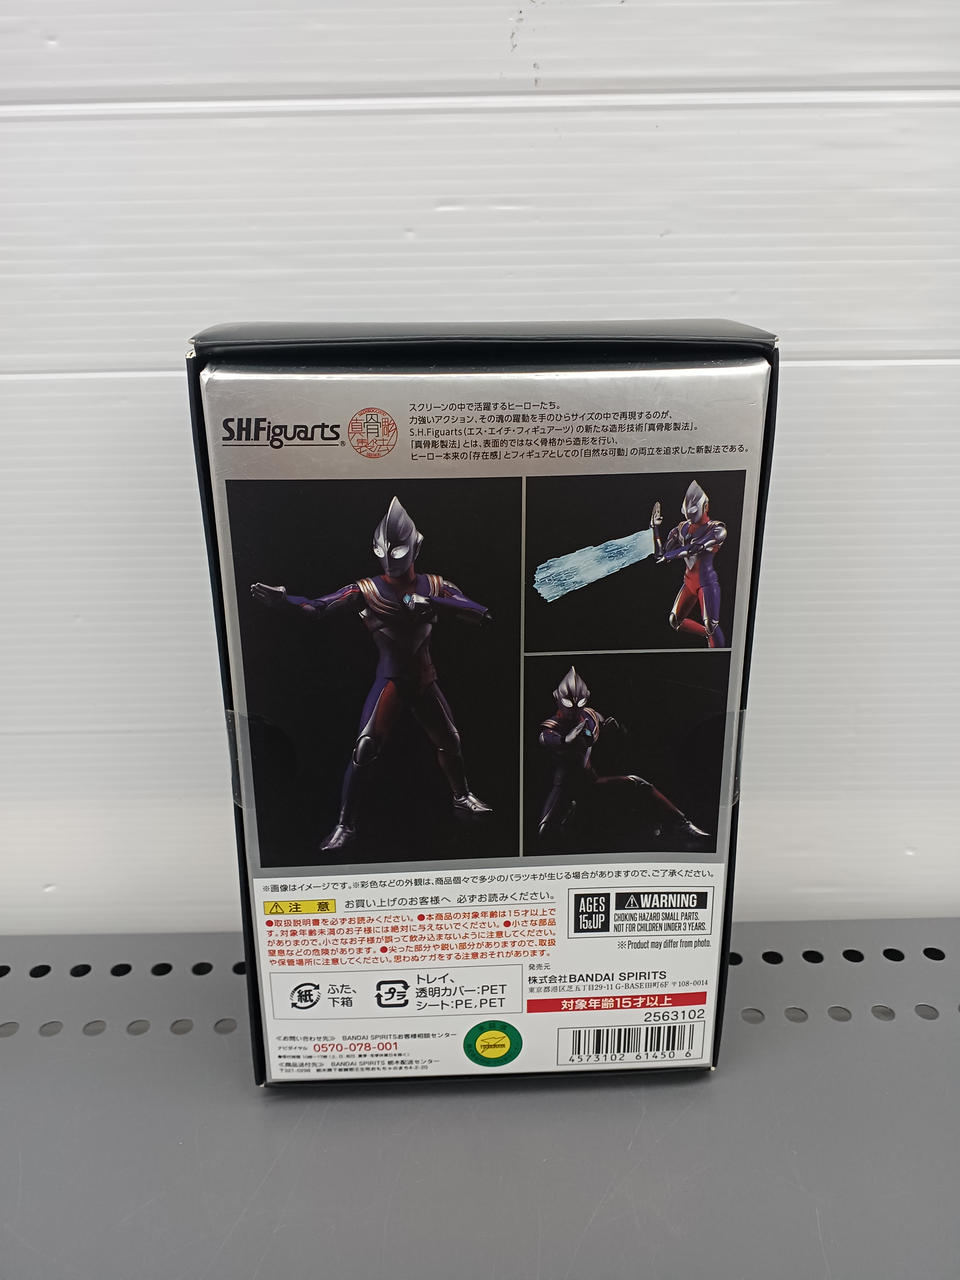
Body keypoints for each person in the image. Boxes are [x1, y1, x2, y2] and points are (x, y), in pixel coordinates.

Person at [251, 497, 492, 852]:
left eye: (397, 551)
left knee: (450, 741)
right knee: (365, 748)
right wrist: (284, 599)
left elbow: (480, 613)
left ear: (416, 546)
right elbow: (319, 607)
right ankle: (345, 825)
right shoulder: (366, 590)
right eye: (383, 550)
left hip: (424, 680)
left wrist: (434, 603)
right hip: (391, 680)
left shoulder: (436, 586)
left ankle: (462, 796)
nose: (389, 558)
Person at [537, 667, 708, 848]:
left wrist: (615, 729)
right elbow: (546, 737)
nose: (574, 709)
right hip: (565, 787)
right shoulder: (554, 725)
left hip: (591, 782)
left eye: (580, 702)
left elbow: (605, 726)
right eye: (568, 702)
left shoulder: (589, 715)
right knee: (546, 832)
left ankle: (681, 825)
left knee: (637, 784)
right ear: (557, 698)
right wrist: (565, 740)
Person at [651, 480, 728, 648]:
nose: (690, 518)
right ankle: (708, 636)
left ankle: (717, 650)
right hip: (689, 583)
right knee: (675, 621)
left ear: (705, 506)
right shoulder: (681, 529)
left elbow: (695, 548)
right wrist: (655, 528)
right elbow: (660, 554)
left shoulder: (717, 529)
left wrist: (670, 555)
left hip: (706, 582)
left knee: (711, 625)